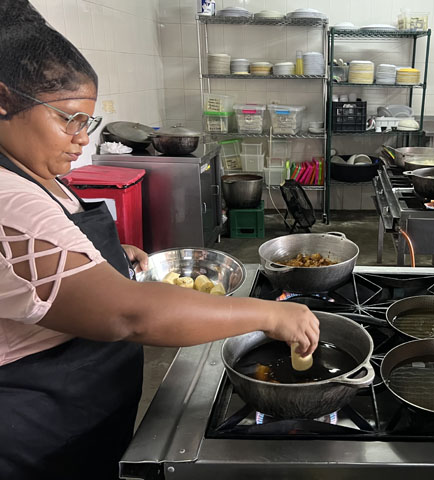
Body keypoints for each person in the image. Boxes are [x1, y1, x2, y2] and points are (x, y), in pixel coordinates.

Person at [0, 2, 319, 479]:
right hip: (39, 435)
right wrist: (271, 314)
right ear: (3, 100)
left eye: (87, 123)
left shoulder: (33, 173)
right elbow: (127, 314)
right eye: (68, 119)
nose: (81, 139)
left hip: (85, 411)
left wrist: (107, 257)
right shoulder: (7, 198)